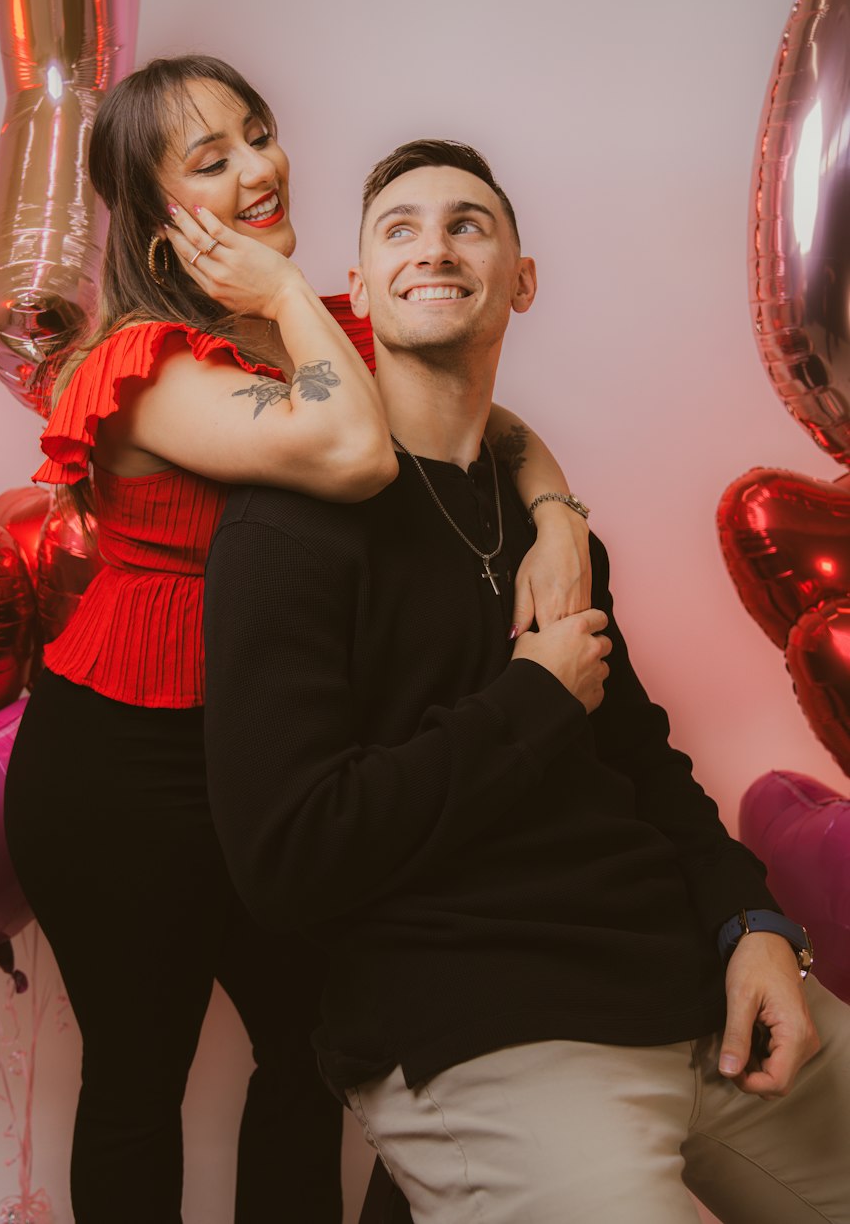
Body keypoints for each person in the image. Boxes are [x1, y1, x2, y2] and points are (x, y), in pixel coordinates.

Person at [202, 137, 850, 1224]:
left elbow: (644, 767)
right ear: (355, 288)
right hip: (484, 1029)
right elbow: (288, 856)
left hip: (697, 996)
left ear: (522, 278)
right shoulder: (285, 527)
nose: (435, 249)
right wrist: (532, 700)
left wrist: (755, 927)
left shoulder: (550, 529)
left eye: (469, 224)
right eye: (398, 229)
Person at [3, 58, 592, 1224]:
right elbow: (358, 456)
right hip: (124, 768)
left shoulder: (312, 335)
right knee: (136, 1080)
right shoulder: (139, 366)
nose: (259, 169)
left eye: (258, 135)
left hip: (280, 758)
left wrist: (556, 514)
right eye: (210, 161)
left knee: (318, 1054)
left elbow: (493, 418)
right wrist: (282, 297)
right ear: (154, 210)